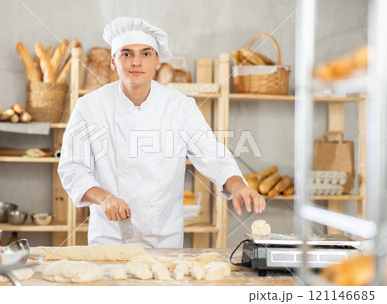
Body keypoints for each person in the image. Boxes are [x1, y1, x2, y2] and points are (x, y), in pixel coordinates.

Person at [58, 16, 265, 248]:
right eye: (126, 54)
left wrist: (238, 187)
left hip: (164, 241)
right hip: (109, 240)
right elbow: (72, 167)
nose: (136, 62)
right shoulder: (90, 107)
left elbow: (211, 153)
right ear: (113, 62)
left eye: (145, 54)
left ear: (157, 62)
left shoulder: (180, 106)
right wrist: (104, 198)